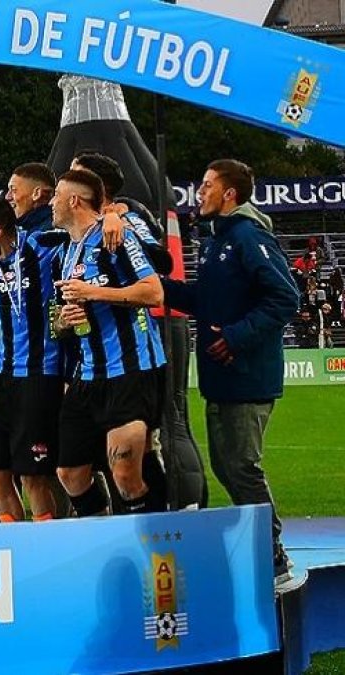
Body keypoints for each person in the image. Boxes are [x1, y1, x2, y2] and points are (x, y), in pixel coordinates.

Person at [160, 159, 301, 590]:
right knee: (228, 467)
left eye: (206, 186)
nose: (198, 193)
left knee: (241, 465)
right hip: (223, 376)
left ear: (230, 194)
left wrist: (237, 337)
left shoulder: (247, 236)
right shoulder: (217, 241)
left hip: (246, 375)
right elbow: (205, 300)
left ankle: (272, 555)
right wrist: (156, 284)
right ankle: (263, 549)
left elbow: (285, 297)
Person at [51, 169, 168, 517]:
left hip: (129, 370)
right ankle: (103, 538)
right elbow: (59, 320)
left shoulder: (116, 236)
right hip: (87, 376)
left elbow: (154, 291)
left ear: (74, 200)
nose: (51, 202)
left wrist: (94, 293)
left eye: (56, 194)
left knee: (126, 475)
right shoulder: (65, 252)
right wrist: (64, 321)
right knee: (69, 473)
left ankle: (158, 549)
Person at [0, 196, 63, 522]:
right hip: (0, 373)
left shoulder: (43, 246)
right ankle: (15, 547)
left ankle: (45, 548)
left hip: (39, 373)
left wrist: (115, 215)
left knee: (32, 476)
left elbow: (83, 231)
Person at [5, 162, 56, 234]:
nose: (7, 197)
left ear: (37, 194)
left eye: (13, 190)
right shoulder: (24, 229)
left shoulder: (48, 234)